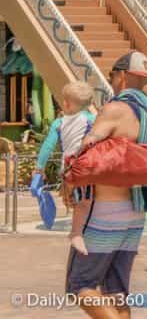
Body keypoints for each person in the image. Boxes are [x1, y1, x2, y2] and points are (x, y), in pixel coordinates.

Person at [70, 51, 147, 318]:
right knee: (116, 291)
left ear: (121, 76)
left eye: (113, 75)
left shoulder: (114, 109)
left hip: (105, 212)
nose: (112, 81)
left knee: (82, 286)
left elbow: (88, 145)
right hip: (135, 211)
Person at [31, 82, 97, 254]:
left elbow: (47, 146)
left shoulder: (59, 123)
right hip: (84, 168)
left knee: (77, 201)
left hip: (67, 169)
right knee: (85, 202)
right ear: (89, 104)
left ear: (66, 103)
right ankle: (76, 233)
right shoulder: (91, 120)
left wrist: (39, 169)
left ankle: (79, 228)